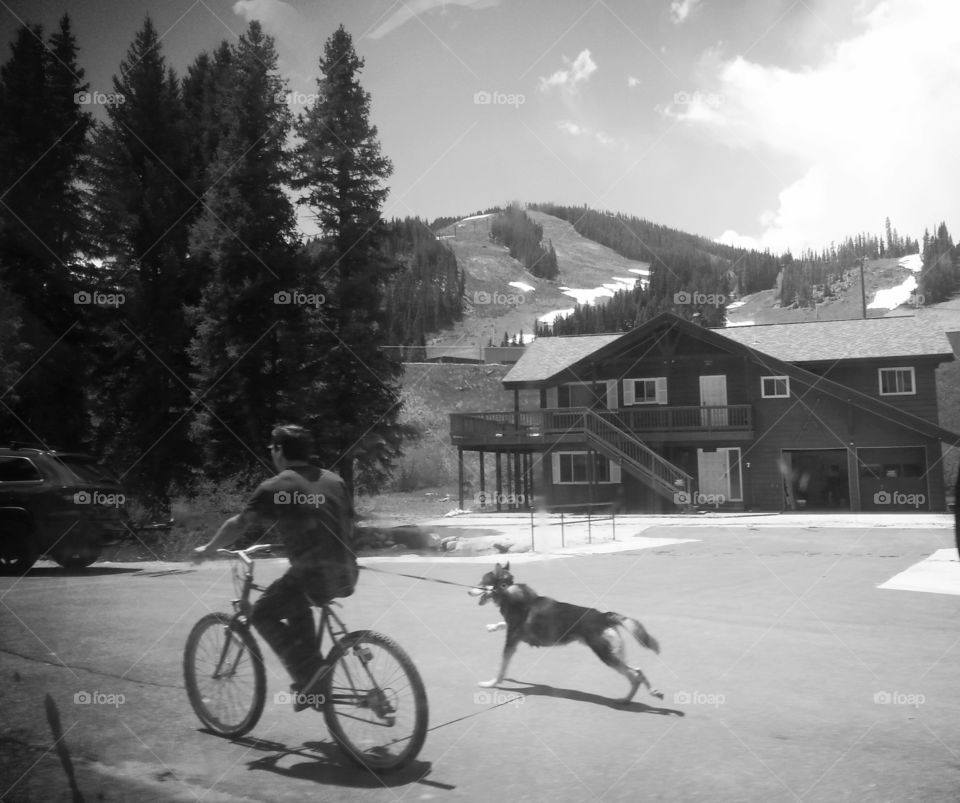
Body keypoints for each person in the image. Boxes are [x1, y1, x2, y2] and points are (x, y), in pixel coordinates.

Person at [194, 424, 358, 709]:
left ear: (280, 450)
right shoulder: (334, 480)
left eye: (272, 448)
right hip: (347, 573)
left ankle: (311, 676)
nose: (272, 453)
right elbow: (340, 522)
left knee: (261, 613)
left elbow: (239, 524)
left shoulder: (277, 485)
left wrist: (207, 549)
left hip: (313, 576)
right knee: (295, 603)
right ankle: (313, 680)